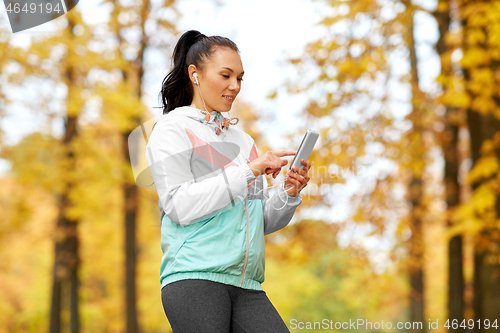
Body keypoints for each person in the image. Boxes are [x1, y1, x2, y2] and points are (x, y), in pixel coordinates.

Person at [145, 30, 311, 333]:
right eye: (225, 75)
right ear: (194, 74)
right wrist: (249, 170)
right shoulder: (171, 129)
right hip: (195, 278)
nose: (234, 86)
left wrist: (288, 193)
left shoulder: (244, 141)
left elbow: (258, 221)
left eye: (240, 78)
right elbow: (179, 205)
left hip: (246, 284)